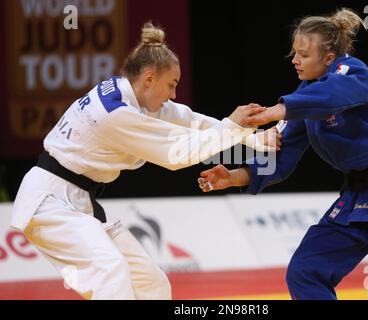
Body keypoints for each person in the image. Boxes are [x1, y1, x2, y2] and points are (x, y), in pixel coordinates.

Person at [10, 22, 279, 300]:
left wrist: (253, 138)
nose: (174, 94)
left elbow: (191, 120)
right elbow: (177, 155)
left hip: (80, 202)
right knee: (109, 272)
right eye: (171, 85)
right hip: (50, 203)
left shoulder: (130, 95)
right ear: (149, 78)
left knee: (151, 283)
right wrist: (231, 126)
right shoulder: (114, 112)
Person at [197, 9, 368, 300]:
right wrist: (233, 176)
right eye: (293, 53)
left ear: (328, 58)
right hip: (358, 197)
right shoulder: (304, 98)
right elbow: (279, 153)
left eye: (303, 54)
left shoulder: (353, 74)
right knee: (305, 271)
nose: (295, 61)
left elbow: (333, 97)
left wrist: (277, 110)